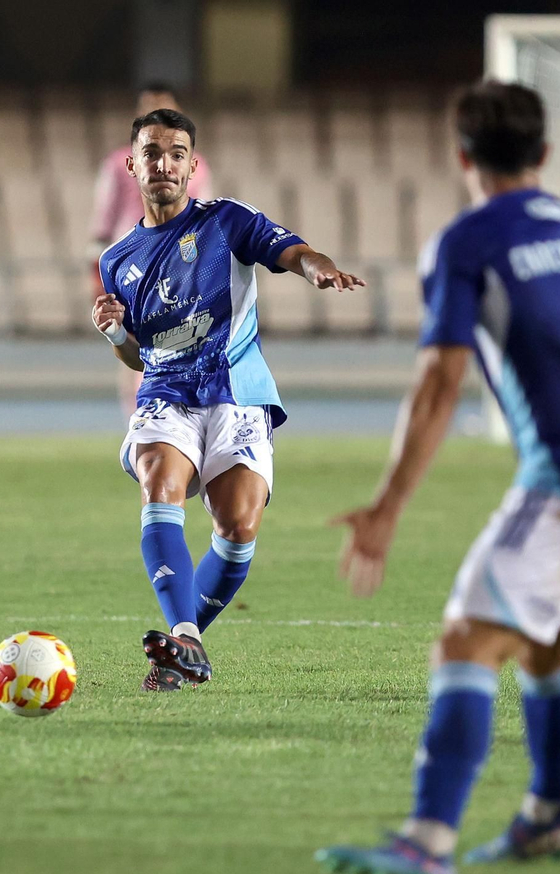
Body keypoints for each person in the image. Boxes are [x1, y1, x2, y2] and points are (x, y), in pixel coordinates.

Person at [316, 81, 560, 874]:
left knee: (466, 640)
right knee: (545, 648)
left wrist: (387, 508)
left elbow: (439, 383)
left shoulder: (466, 243)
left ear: (462, 156)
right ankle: (550, 820)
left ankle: (426, 841)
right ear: (545, 155)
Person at [92, 108, 363, 692]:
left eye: (176, 153)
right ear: (132, 164)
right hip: (165, 392)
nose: (163, 163)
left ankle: (183, 649)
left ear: (192, 167)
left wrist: (319, 270)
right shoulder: (117, 262)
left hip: (236, 389)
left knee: (237, 526)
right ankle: (184, 630)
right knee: (158, 482)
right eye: (152, 153)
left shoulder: (226, 222)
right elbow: (139, 357)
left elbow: (290, 250)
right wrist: (117, 334)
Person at [90, 84, 212, 416]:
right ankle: (141, 420)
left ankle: (183, 415)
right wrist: (96, 274)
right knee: (131, 344)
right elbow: (103, 222)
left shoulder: (194, 164)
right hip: (132, 266)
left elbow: (205, 219)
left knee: (183, 341)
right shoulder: (119, 164)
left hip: (180, 267)